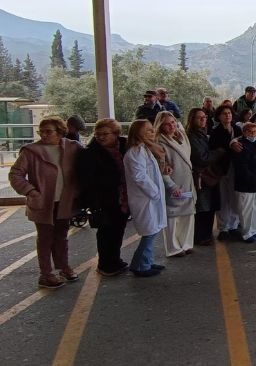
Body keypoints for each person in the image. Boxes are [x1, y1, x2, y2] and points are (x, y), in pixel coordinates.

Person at [9, 117, 83, 289]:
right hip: (43, 202)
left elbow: (86, 165)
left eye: (48, 131)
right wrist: (31, 191)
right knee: (45, 239)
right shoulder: (31, 151)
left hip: (64, 201)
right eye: (41, 131)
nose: (43, 135)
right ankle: (46, 274)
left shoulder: (73, 147)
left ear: (60, 131)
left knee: (62, 237)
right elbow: (15, 174)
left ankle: (64, 267)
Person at [76, 119, 129, 276]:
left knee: (119, 228)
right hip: (103, 197)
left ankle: (115, 260)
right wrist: (93, 203)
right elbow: (86, 180)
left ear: (116, 134)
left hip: (123, 196)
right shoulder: (90, 153)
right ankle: (106, 264)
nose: (100, 137)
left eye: (105, 134)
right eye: (97, 134)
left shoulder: (125, 146)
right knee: (106, 231)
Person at [123, 119, 167, 277]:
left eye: (152, 129)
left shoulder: (145, 149)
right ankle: (141, 266)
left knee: (152, 230)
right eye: (147, 130)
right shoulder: (135, 152)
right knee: (149, 232)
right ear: (137, 133)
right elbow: (139, 177)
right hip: (145, 198)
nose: (152, 132)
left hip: (150, 198)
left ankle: (143, 262)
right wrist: (155, 192)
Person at [154, 112, 196, 257]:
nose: (171, 126)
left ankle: (186, 243)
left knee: (188, 213)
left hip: (187, 180)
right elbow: (161, 168)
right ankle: (173, 248)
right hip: (173, 182)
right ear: (160, 125)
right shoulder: (158, 142)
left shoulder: (181, 137)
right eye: (167, 123)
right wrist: (171, 185)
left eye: (173, 122)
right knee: (173, 215)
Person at [186, 108, 225, 244]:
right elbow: (202, 158)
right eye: (199, 118)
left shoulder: (202, 134)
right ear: (192, 119)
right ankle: (201, 236)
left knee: (210, 207)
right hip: (202, 176)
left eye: (204, 117)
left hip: (209, 175)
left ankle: (206, 235)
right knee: (203, 208)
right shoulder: (192, 136)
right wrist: (219, 152)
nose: (203, 120)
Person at [209, 105, 242, 240]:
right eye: (224, 113)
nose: (227, 115)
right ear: (219, 116)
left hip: (237, 167)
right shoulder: (215, 132)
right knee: (223, 199)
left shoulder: (237, 129)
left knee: (235, 198)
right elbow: (214, 150)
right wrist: (229, 147)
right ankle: (223, 228)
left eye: (229, 113)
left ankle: (234, 226)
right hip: (222, 169)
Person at [231, 122, 256, 242]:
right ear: (244, 132)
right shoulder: (241, 145)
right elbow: (241, 166)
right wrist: (250, 178)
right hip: (245, 184)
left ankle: (254, 230)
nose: (253, 133)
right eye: (250, 131)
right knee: (246, 210)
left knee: (255, 208)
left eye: (255, 131)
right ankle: (246, 233)